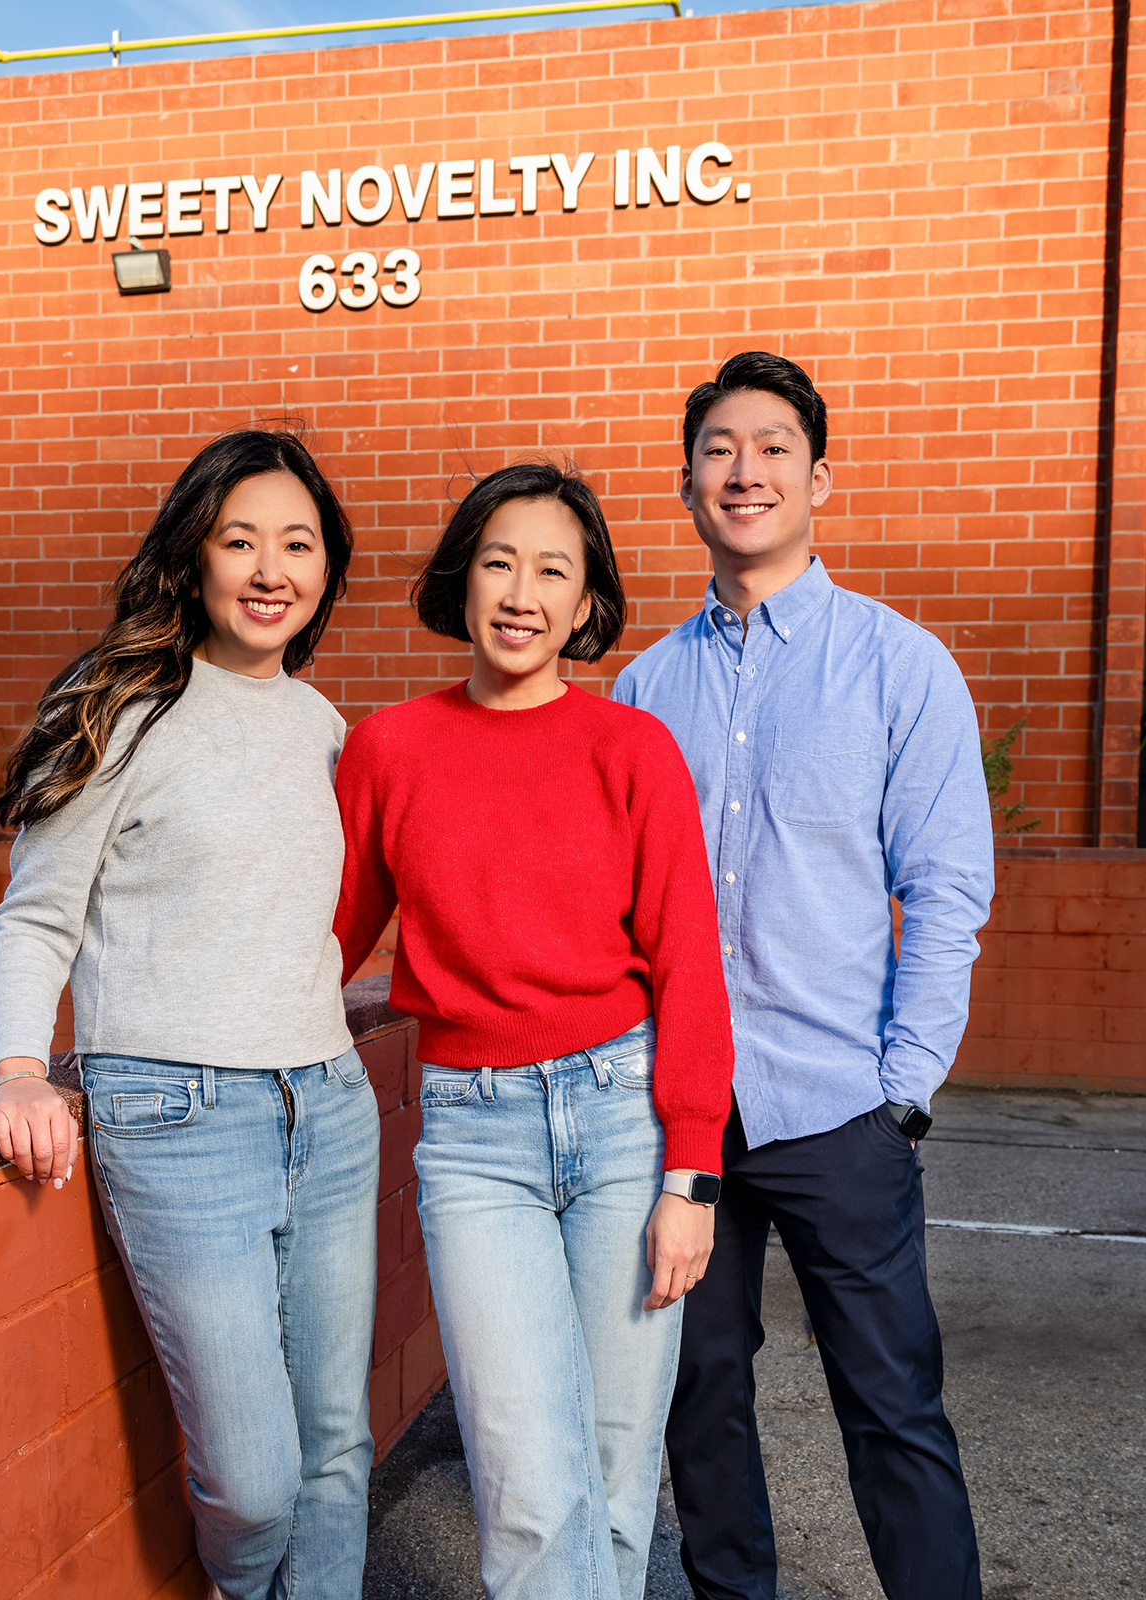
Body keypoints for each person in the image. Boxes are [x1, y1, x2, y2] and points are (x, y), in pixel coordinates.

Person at [613, 352, 992, 1600]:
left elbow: (944, 888)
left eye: (774, 446)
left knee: (891, 1407)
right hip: (688, 1119)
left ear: (821, 478)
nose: (746, 470)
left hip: (840, 1109)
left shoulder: (900, 666)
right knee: (702, 1406)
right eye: (720, 447)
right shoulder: (642, 689)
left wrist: (904, 1093)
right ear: (686, 483)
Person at [0, 429, 377, 1600]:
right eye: (239, 539)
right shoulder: (120, 705)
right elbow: (35, 915)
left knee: (337, 1452)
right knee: (256, 1478)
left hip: (329, 1103)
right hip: (174, 1113)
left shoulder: (322, 724)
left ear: (324, 568)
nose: (270, 568)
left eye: (297, 543)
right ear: (193, 558)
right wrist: (15, 1068)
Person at [334, 461, 734, 1600]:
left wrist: (690, 1176)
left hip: (625, 1123)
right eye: (499, 561)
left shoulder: (632, 751)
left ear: (585, 601)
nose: (521, 591)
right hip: (473, 1136)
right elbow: (323, 940)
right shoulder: (389, 751)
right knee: (523, 1479)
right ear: (462, 580)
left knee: (611, 1477)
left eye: (551, 569)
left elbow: (689, 967)